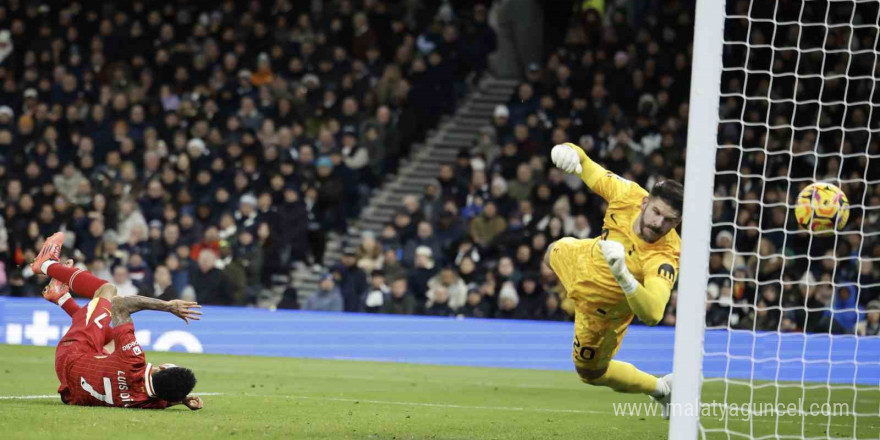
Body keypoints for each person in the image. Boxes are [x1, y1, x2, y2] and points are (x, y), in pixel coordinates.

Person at [546, 142, 682, 418]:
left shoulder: (666, 254)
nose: (658, 224)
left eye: (669, 220)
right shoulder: (628, 194)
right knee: (552, 251)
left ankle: (661, 389)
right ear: (645, 203)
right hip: (584, 258)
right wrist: (568, 150)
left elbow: (654, 312)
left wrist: (624, 276)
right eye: (656, 212)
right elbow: (587, 165)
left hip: (603, 313)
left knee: (590, 374)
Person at [33, 232, 203, 410]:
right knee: (113, 338)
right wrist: (181, 399)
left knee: (107, 290)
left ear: (161, 369)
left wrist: (168, 306)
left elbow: (119, 304)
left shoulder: (133, 361)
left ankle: (45, 264)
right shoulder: (147, 401)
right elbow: (164, 397)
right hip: (72, 388)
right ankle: (61, 297)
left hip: (72, 354)